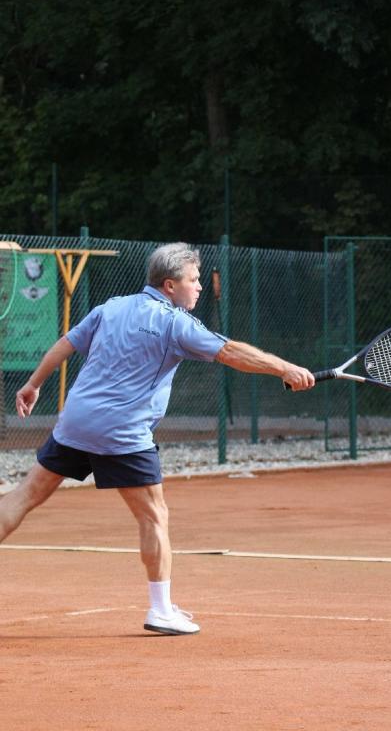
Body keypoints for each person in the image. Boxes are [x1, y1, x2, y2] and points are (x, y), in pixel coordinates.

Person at [0, 243, 315, 635]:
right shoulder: (175, 323)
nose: (199, 287)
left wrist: (33, 384)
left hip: (76, 423)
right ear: (170, 285)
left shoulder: (111, 307)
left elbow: (67, 343)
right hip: (123, 432)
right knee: (153, 515)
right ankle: (161, 611)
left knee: (24, 496)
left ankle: (164, 608)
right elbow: (230, 352)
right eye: (193, 280)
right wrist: (284, 368)